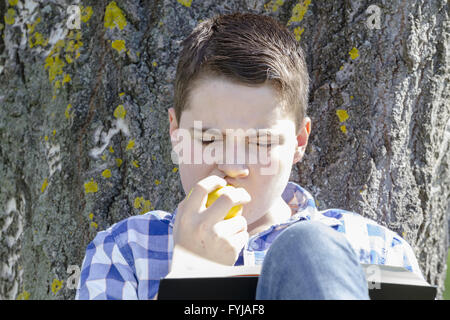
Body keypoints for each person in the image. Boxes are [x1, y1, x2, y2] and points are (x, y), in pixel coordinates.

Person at [75, 12, 424, 300]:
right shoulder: (125, 253)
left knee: (308, 250)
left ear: (299, 141)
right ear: (175, 133)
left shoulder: (376, 250)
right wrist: (192, 278)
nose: (231, 165)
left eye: (259, 143)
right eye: (209, 138)